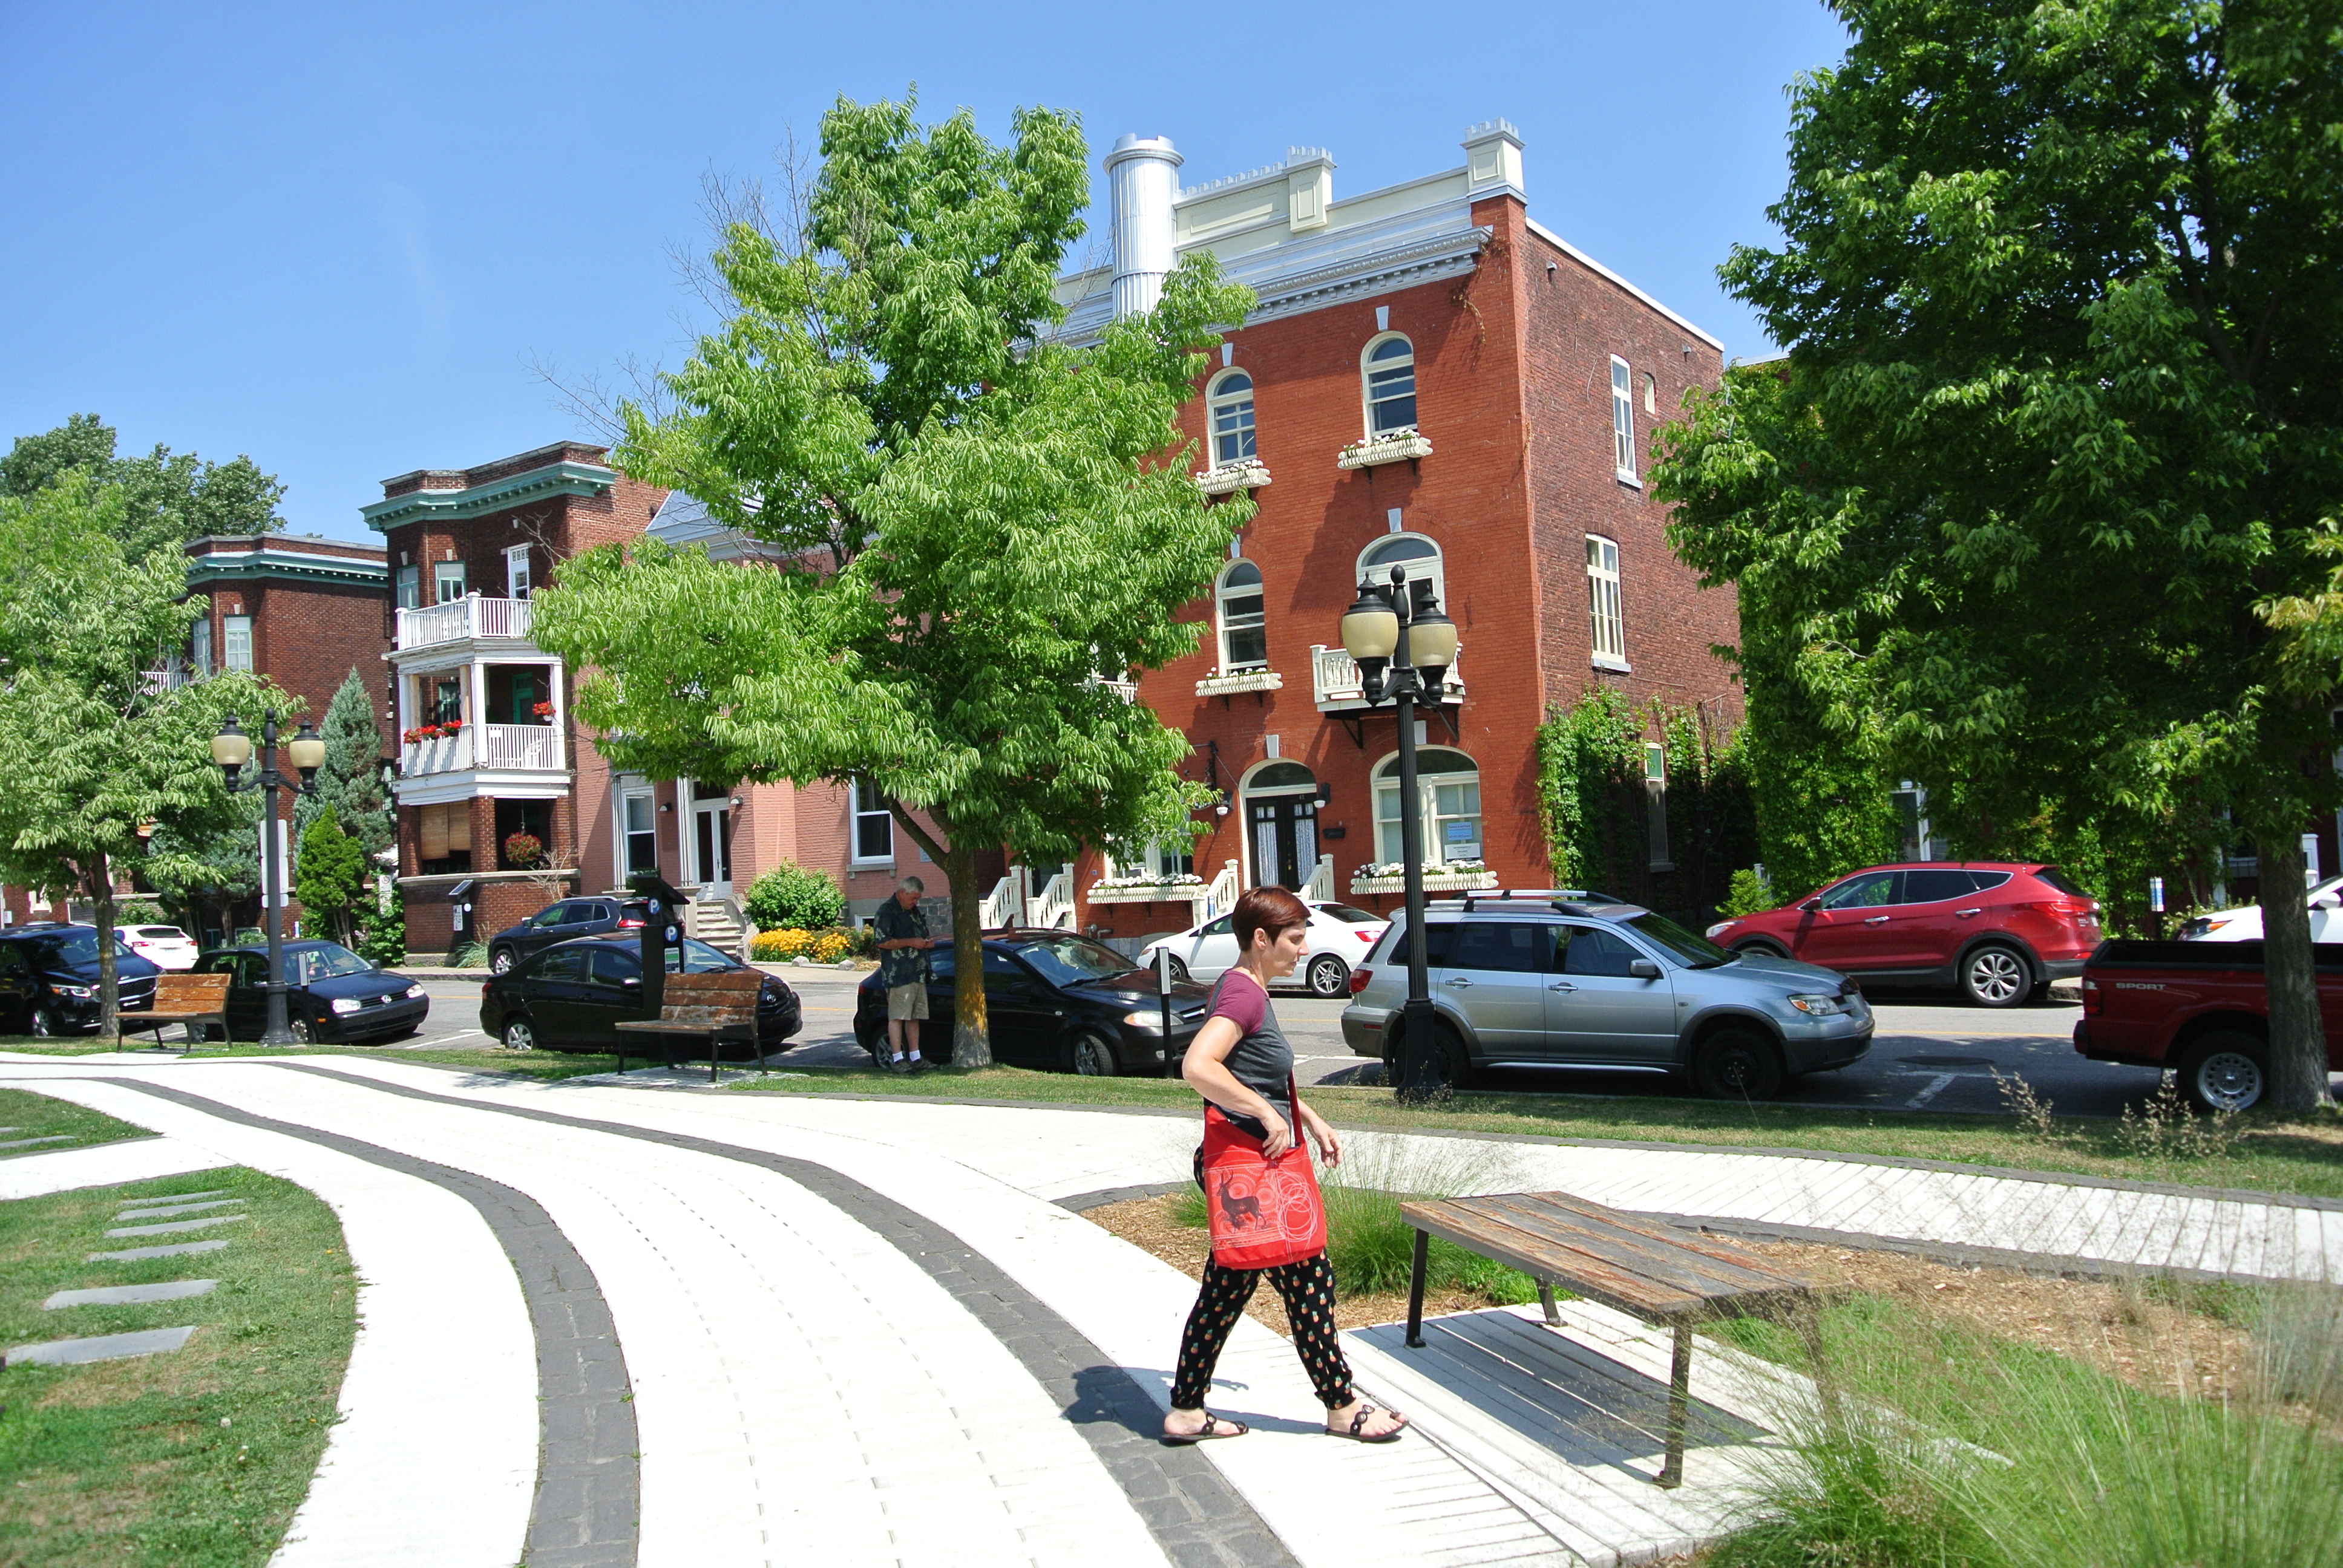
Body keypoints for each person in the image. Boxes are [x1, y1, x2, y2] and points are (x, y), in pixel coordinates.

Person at [1162, 884, 1408, 1446]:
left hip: (1247, 1169)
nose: (1303, 949)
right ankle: (1342, 1406)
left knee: (1226, 1291)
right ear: (1261, 938)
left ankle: (1187, 1409)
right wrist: (1267, 1117)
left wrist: (1307, 1117)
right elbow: (1199, 1066)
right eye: (1295, 939)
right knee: (1308, 1284)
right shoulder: (1243, 995)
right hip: (1255, 1171)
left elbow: (1256, 1075)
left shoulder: (1244, 987)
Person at [872, 877, 935, 1071]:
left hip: (917, 972)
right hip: (899, 974)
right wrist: (910, 942)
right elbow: (882, 942)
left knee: (914, 1016)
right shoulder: (886, 911)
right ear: (902, 893)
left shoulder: (913, 912)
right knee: (898, 1016)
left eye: (917, 899)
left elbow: (920, 934)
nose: (915, 902)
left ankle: (916, 1057)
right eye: (913, 898)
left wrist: (926, 943)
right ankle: (898, 1059)